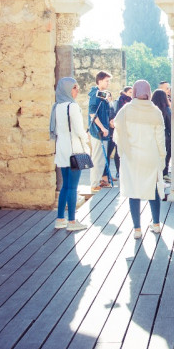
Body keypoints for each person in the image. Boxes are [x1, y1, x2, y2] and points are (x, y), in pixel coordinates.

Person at [113, 80, 166, 239]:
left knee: (133, 191)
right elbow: (160, 139)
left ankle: (137, 229)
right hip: (150, 156)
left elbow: (118, 134)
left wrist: (123, 152)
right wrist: (162, 157)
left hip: (131, 157)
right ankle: (156, 224)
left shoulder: (126, 110)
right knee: (153, 189)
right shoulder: (155, 111)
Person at [50, 77, 90, 232]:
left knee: (65, 186)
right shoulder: (72, 107)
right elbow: (79, 131)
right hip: (74, 150)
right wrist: (86, 142)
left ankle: (60, 219)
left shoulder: (57, 106)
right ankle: (72, 221)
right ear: (67, 89)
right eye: (74, 87)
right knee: (73, 187)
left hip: (62, 149)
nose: (77, 90)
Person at [87, 71, 113, 191]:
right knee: (97, 158)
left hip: (102, 131)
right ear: (100, 80)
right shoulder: (96, 94)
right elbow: (92, 112)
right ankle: (94, 184)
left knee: (101, 158)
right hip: (98, 131)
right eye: (107, 81)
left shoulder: (101, 94)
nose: (108, 83)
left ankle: (98, 181)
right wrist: (102, 128)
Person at [151, 88, 172, 179]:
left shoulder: (151, 109)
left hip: (151, 136)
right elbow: (170, 124)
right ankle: (164, 172)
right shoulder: (166, 109)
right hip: (164, 136)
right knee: (165, 155)